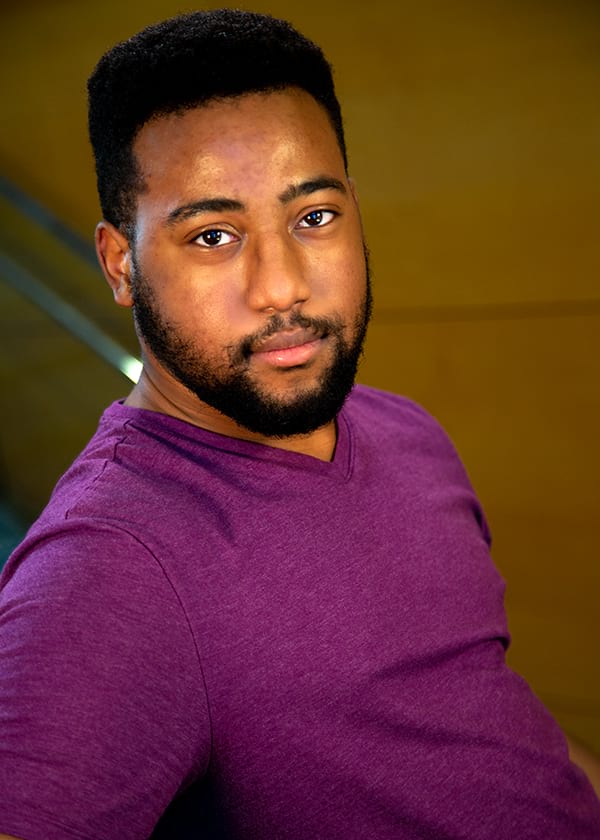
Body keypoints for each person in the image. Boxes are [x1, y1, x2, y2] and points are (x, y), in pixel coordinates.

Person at [0, 9, 599, 840]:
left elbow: (486, 723)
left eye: (313, 217)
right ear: (119, 264)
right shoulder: (108, 570)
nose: (282, 285)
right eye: (213, 235)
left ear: (353, 207)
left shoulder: (405, 431)